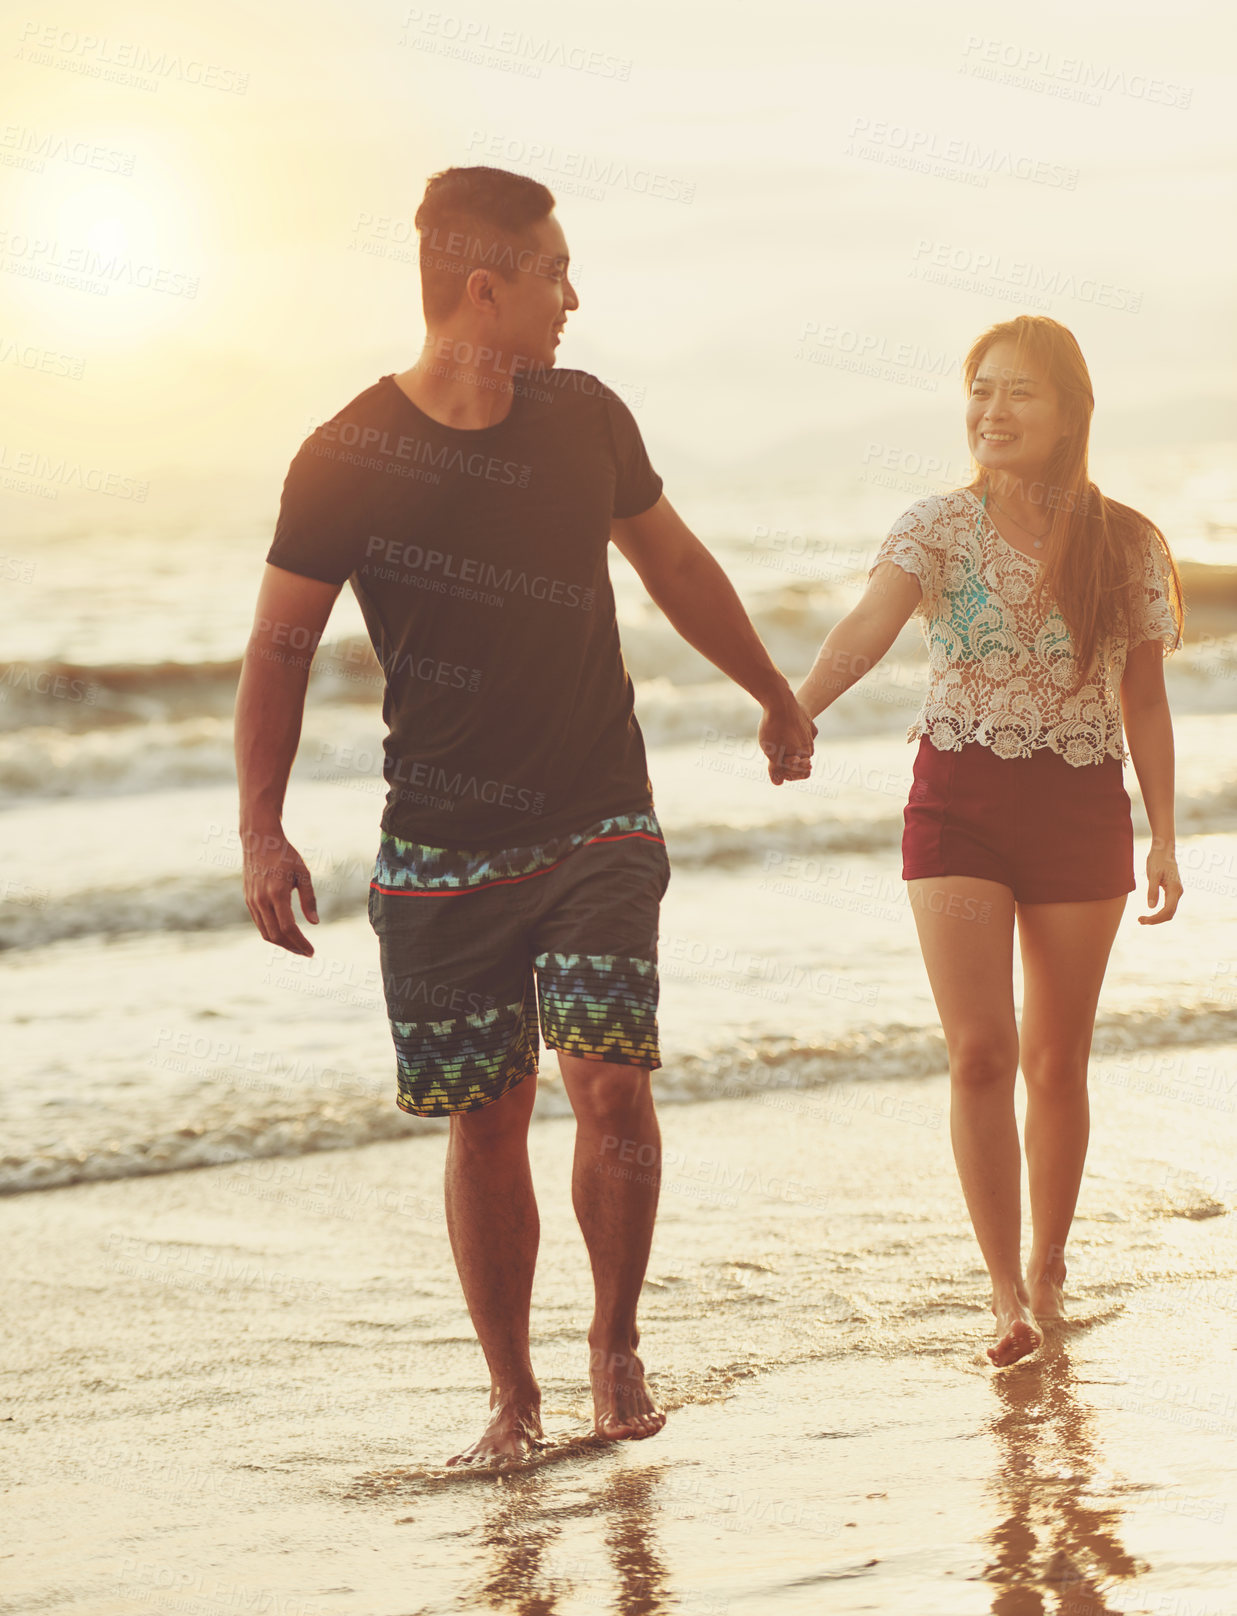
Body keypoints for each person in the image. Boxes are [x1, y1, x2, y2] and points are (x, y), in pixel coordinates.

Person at [233, 165, 816, 1464]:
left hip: (599, 817)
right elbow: (277, 650)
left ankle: (614, 1347)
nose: (572, 296)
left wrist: (773, 693)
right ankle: (512, 1394)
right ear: (483, 289)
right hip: (437, 848)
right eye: (554, 273)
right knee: (485, 1117)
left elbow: (671, 563)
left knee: (610, 1085)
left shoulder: (585, 418)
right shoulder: (342, 458)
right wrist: (260, 830)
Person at [794, 314, 1184, 1367]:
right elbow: (863, 628)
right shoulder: (937, 526)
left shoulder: (1128, 542)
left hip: (1080, 807)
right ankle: (1004, 1293)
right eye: (979, 388)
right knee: (980, 1051)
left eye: (1018, 393)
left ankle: (1050, 1266)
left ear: (1068, 415)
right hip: (958, 800)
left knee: (1057, 1059)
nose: (992, 411)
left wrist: (1164, 834)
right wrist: (799, 705)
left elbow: (1143, 700)